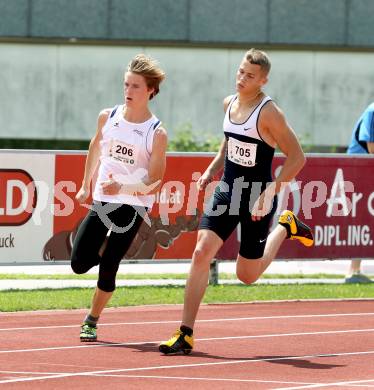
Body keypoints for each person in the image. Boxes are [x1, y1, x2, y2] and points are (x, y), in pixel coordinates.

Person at [159, 48, 314, 355]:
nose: (242, 78)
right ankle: (185, 333)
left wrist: (270, 194)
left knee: (247, 276)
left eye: (250, 75)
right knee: (201, 252)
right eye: (240, 72)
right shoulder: (229, 104)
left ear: (264, 80)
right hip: (227, 191)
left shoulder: (270, 113)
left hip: (257, 197)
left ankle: (285, 226)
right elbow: (228, 145)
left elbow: (298, 158)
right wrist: (210, 170)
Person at [71, 54, 167, 341]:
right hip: (103, 198)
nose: (128, 91)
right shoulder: (108, 116)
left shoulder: (156, 132)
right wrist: (85, 185)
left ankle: (91, 319)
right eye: (126, 84)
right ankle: (106, 257)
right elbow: (95, 147)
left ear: (150, 90)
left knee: (110, 263)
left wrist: (124, 190)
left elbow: (155, 181)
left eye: (135, 86)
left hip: (134, 203)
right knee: (78, 263)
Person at [345, 102, 374, 284]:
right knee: (362, 218)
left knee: (366, 219)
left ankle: (354, 270)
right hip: (359, 170)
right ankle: (353, 271)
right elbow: (372, 149)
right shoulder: (372, 111)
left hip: (367, 169)